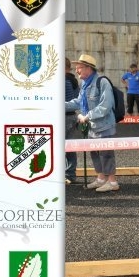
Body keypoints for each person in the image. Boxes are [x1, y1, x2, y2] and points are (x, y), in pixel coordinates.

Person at [65, 54, 120, 192]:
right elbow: (78, 102)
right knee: (95, 153)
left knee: (106, 153)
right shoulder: (85, 84)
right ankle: (101, 179)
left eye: (79, 68)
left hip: (104, 125)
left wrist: (87, 116)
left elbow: (105, 106)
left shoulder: (102, 82)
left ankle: (112, 182)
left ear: (88, 68)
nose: (76, 71)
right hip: (92, 126)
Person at [64, 57, 80, 185]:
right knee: (69, 147)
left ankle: (64, 174)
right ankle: (70, 174)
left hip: (63, 116)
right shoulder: (74, 80)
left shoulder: (63, 81)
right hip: (72, 116)